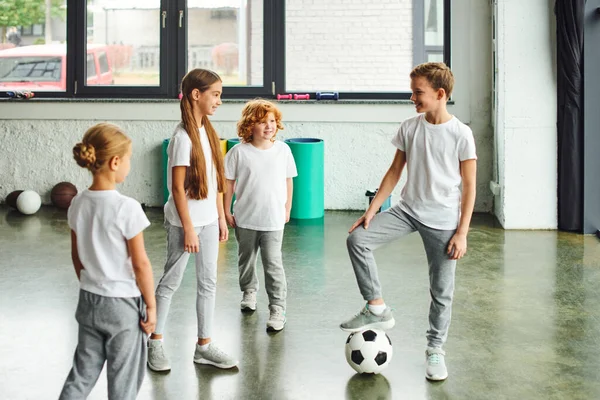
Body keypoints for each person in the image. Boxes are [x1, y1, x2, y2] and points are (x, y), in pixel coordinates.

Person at [339, 62, 477, 381]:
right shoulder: (410, 126)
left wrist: (462, 232)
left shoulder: (461, 134)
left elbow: (470, 186)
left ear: (440, 94)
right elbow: (394, 171)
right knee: (358, 240)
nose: (412, 97)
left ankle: (435, 349)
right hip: (408, 210)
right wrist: (373, 209)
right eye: (411, 91)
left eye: (419, 92)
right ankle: (376, 307)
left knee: (441, 290)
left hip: (443, 221)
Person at [147, 68, 238, 372]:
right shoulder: (182, 137)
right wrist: (188, 229)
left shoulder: (208, 133)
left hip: (210, 221)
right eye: (216, 94)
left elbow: (213, 181)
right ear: (196, 95)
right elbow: (176, 187)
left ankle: (204, 346)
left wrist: (221, 218)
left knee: (208, 283)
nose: (219, 101)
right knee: (170, 282)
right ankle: (155, 341)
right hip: (184, 224)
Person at [59, 123, 156, 400]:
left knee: (82, 374)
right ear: (115, 162)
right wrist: (151, 305)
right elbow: (141, 264)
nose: (129, 165)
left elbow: (76, 255)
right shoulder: (127, 208)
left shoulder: (77, 202)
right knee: (123, 381)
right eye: (128, 159)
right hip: (122, 305)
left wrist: (92, 284)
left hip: (89, 299)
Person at [223, 99, 297, 332]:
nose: (269, 126)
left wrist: (287, 208)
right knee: (246, 259)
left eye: (272, 121)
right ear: (249, 125)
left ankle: (277, 307)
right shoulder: (238, 152)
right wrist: (226, 210)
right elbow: (228, 184)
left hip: (273, 219)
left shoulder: (283, 150)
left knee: (273, 264)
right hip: (245, 218)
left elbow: (288, 181)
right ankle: (249, 291)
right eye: (262, 122)